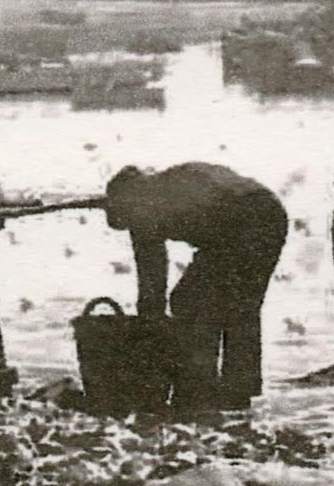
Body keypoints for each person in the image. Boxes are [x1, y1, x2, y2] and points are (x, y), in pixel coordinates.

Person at [104, 162, 287, 410]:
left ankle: (198, 389)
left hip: (244, 220)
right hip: (270, 212)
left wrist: (148, 331)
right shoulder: (160, 187)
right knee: (241, 309)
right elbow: (153, 279)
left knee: (188, 300)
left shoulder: (148, 204)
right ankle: (238, 391)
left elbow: (152, 279)